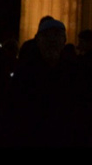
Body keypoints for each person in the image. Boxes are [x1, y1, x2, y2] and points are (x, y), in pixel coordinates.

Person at [8, 16, 84, 147]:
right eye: (47, 37)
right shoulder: (25, 73)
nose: (52, 41)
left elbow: (81, 115)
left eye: (56, 36)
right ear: (38, 40)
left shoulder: (74, 72)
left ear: (64, 41)